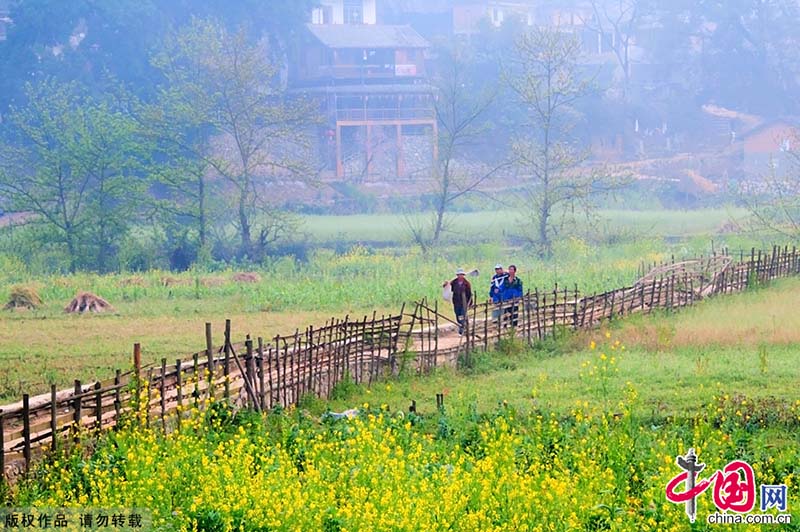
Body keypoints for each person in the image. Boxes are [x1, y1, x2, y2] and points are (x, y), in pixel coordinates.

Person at [443, 268, 472, 335]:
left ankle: (462, 329)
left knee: (462, 315)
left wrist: (470, 302)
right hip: (456, 301)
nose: (460, 276)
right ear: (457, 275)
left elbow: (469, 294)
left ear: (463, 275)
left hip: (464, 302)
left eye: (461, 275)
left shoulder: (466, 284)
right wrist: (446, 284)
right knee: (458, 314)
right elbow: (447, 287)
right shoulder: (454, 282)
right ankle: (462, 325)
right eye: (459, 275)